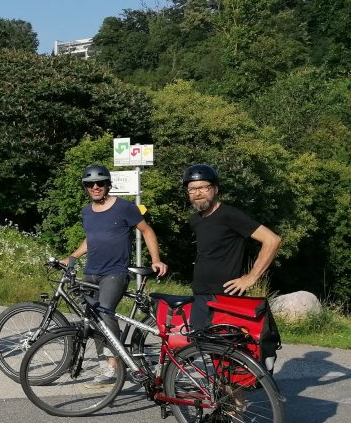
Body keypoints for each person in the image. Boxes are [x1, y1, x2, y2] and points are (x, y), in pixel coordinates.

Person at [63, 164, 167, 388]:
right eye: (90, 184)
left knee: (104, 313)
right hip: (90, 272)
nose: (96, 187)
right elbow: (92, 239)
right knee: (93, 319)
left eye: (100, 183)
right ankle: (110, 363)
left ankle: (115, 366)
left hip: (115, 272)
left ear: (108, 184)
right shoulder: (87, 212)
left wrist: (156, 259)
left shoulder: (125, 208)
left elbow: (147, 231)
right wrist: (71, 257)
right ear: (86, 187)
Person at [184, 164, 281, 329]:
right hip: (200, 293)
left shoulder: (230, 215)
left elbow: (272, 240)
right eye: (192, 189)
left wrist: (251, 278)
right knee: (200, 346)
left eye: (203, 187)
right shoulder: (195, 220)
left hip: (226, 296)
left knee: (226, 350)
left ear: (215, 189)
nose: (198, 193)